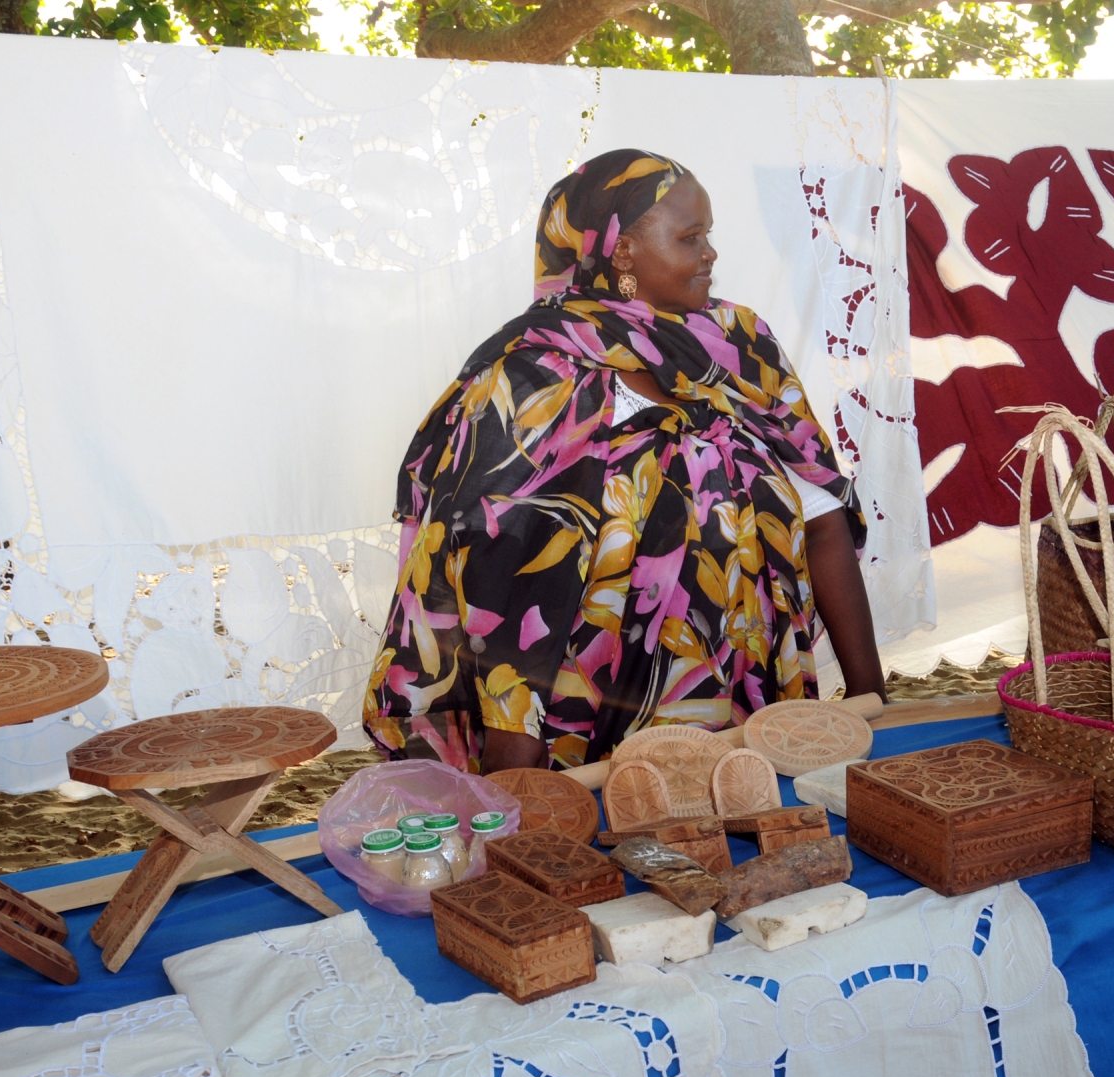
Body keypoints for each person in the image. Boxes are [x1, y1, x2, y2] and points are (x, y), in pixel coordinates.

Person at [363, 148, 885, 773]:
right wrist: (520, 777)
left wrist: (871, 699)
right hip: (592, 746)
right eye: (690, 237)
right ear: (622, 251)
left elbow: (822, 516)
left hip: (754, 727)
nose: (711, 253)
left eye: (708, 234)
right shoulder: (530, 377)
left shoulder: (740, 347)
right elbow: (496, 577)